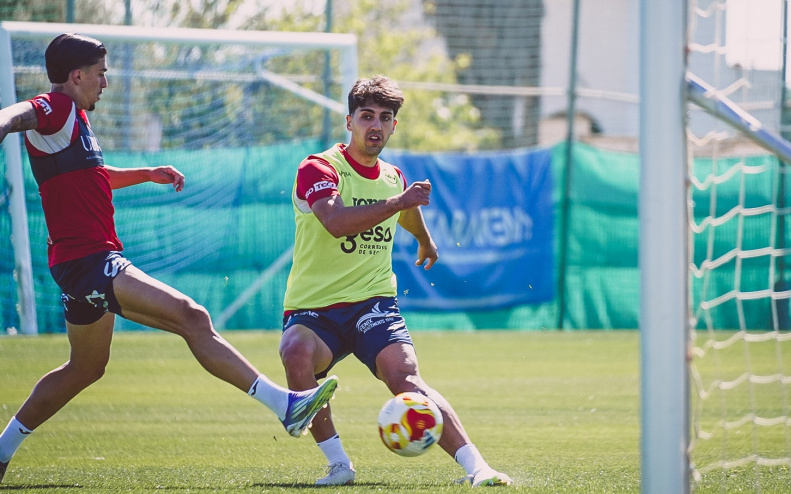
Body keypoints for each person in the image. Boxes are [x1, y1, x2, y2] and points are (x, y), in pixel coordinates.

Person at [0, 33, 338, 484]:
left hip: (77, 263)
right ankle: (286, 406)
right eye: (100, 73)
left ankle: (1, 452)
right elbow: (20, 112)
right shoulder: (58, 107)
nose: (106, 81)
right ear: (76, 75)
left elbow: (93, 177)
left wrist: (146, 174)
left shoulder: (74, 120)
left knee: (85, 368)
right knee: (191, 316)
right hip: (90, 262)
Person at [278, 75, 511, 487]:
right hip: (314, 307)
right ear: (349, 121)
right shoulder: (318, 167)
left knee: (405, 379)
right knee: (295, 353)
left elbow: (404, 212)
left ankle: (478, 468)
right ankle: (339, 465)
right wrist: (400, 202)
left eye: (385, 118)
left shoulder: (393, 177)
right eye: (366, 116)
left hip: (373, 302)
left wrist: (425, 240)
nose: (376, 126)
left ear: (393, 127)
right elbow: (335, 222)